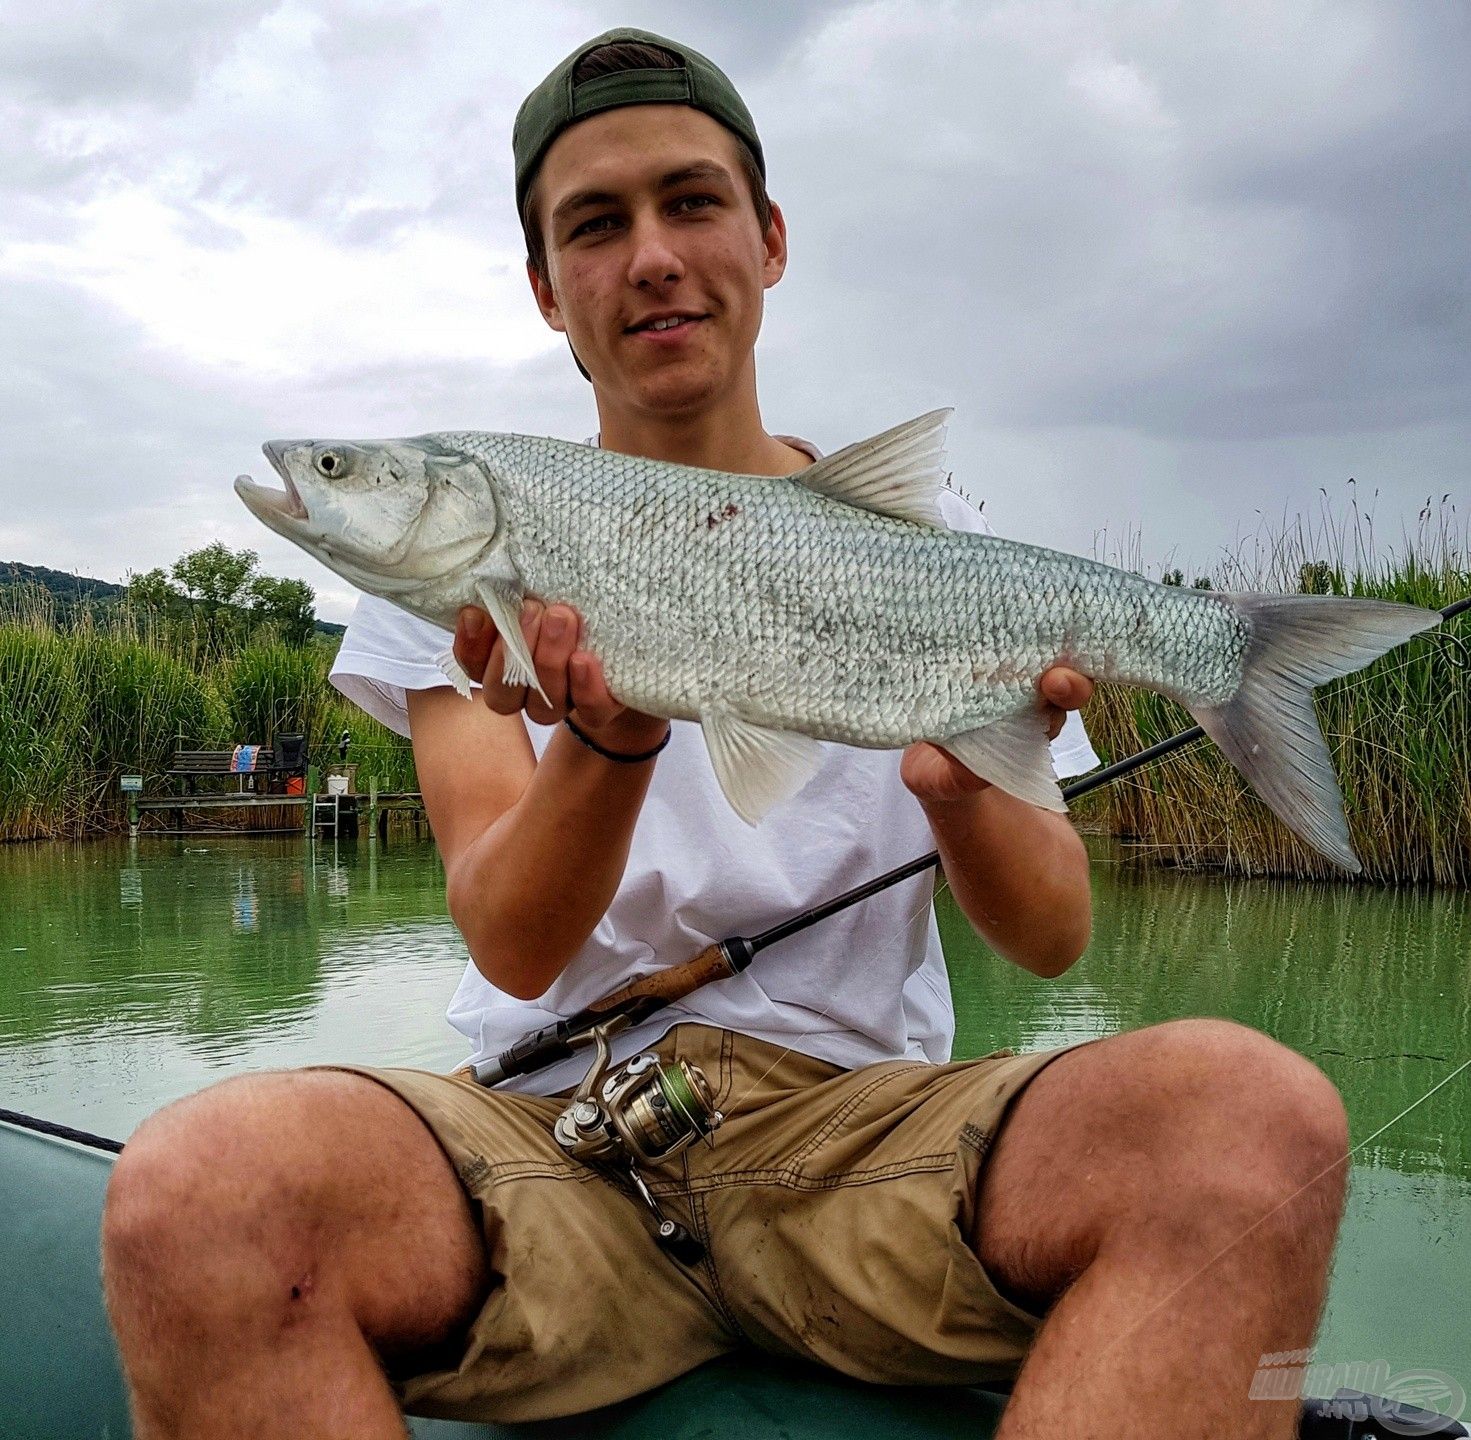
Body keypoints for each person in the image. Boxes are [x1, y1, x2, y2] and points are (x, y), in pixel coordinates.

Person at [100, 28, 1350, 1440]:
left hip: (868, 1139)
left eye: (691, 203)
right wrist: (612, 741)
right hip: (554, 1137)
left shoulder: (937, 551)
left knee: (1261, 1120)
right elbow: (511, 939)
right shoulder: (440, 598)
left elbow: (1050, 935)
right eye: (595, 224)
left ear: (768, 240)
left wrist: (954, 771)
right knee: (192, 1190)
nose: (651, 257)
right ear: (543, 290)